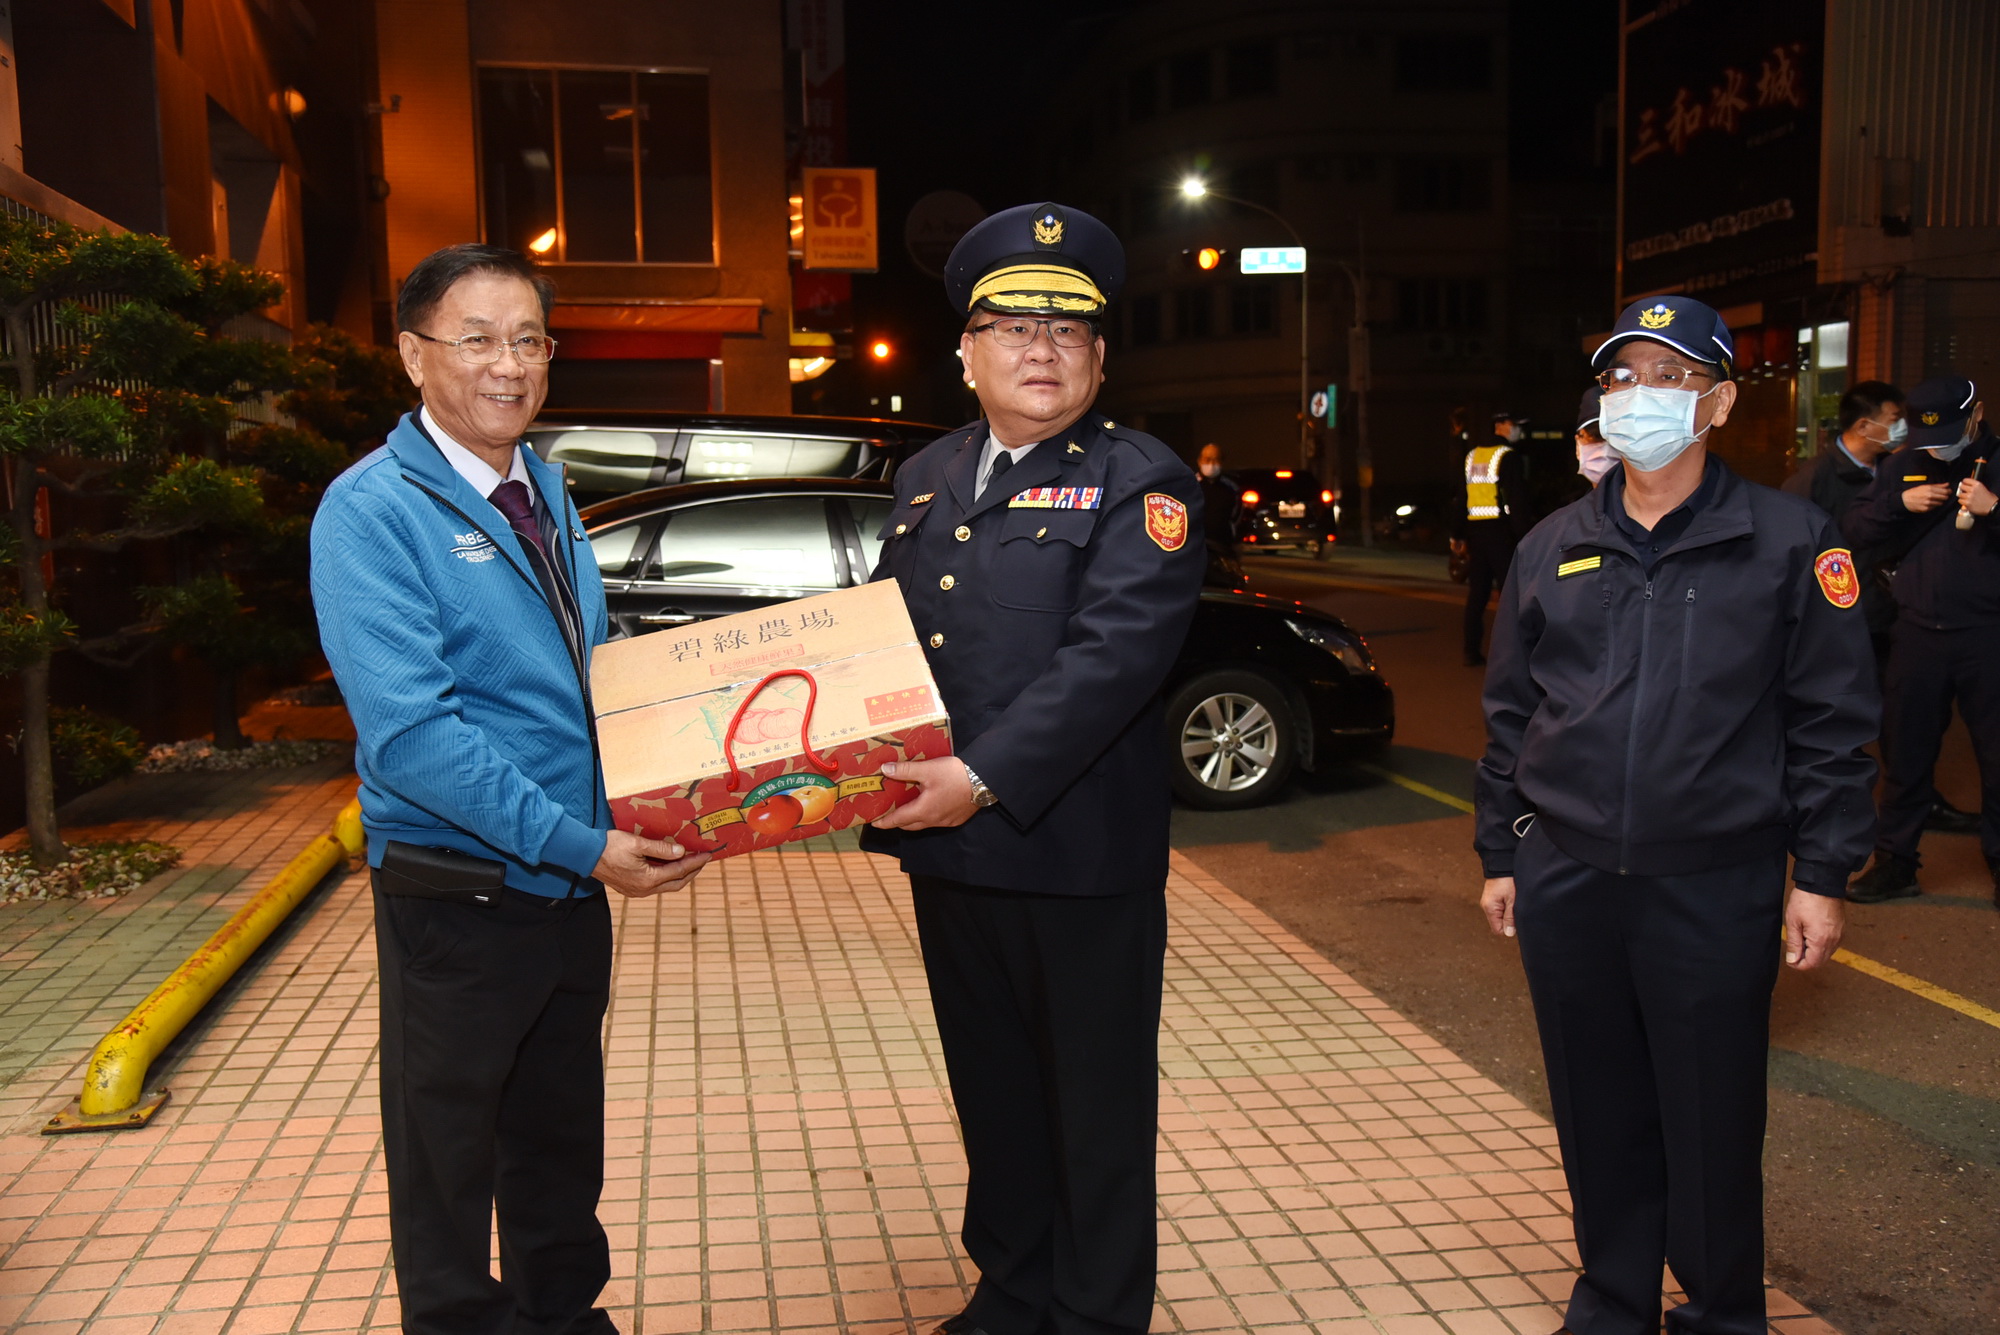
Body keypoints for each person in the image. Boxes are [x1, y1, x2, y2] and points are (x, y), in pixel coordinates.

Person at [311, 244, 708, 1335]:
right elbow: (411, 737)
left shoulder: (540, 484)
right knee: (447, 1161)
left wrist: (675, 766)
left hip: (567, 883)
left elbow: (588, 664)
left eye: (529, 340)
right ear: (411, 354)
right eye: (476, 338)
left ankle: (566, 1319)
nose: (509, 365)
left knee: (555, 1137)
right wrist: (581, 845)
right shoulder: (371, 511)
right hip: (462, 891)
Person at [1476, 294, 1877, 1335]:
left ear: (1716, 404)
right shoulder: (1550, 545)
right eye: (1618, 378)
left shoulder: (1790, 539)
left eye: (1666, 378)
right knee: (1594, 1114)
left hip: (1713, 881)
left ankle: (1719, 1312)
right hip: (1565, 876)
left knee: (1706, 1119)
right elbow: (1510, 714)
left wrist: (1822, 874)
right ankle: (1611, 1302)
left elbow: (1833, 720)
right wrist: (1500, 853)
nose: (1636, 398)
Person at [859, 202, 1205, 1335]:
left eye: (1068, 329)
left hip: (1077, 858)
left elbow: (1113, 661)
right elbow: (885, 649)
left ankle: (1097, 1314)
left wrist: (983, 775)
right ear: (965, 351)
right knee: (995, 1096)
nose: (1040, 347)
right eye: (1012, 325)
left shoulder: (1137, 479)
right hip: (954, 853)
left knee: (1093, 1109)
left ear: (1099, 357)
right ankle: (1012, 1292)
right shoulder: (926, 476)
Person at [1842, 374, 2000, 905]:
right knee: (1906, 759)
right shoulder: (1900, 464)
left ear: (1975, 416)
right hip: (1915, 633)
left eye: (1949, 432)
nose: (1938, 446)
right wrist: (1898, 505)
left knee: (1996, 758)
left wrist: (1993, 511)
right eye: (1927, 436)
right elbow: (1854, 527)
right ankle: (1896, 862)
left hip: (1987, 634)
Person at [1454, 410, 1534, 665]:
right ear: (1499, 426)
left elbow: (1460, 497)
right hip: (1500, 534)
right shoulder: (1508, 456)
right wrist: (1525, 537)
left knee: (1478, 594)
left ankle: (1470, 650)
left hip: (1476, 534)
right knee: (1510, 595)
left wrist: (1457, 534)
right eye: (1514, 424)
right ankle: (1513, 655)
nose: (1517, 430)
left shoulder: (1472, 456)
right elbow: (1517, 500)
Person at [1196, 441, 1241, 552]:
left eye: (1215, 459)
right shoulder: (1190, 485)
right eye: (1207, 459)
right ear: (1200, 461)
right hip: (1195, 546)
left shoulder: (1231, 488)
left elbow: (1236, 516)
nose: (1211, 464)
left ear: (1221, 462)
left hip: (1222, 545)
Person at [1573, 385, 1612, 490]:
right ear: (1578, 444)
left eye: (1616, 436)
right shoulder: (1578, 506)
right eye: (1597, 435)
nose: (1607, 450)